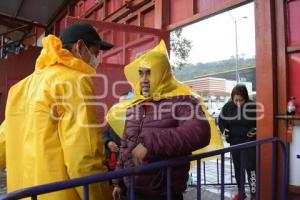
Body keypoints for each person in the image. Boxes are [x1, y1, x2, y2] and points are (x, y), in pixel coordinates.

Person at [0, 23, 114, 200]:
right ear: (79, 47)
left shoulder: (20, 88)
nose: (96, 59)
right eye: (96, 52)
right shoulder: (74, 82)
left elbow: (3, 140)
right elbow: (85, 159)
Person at [108, 40, 218, 200]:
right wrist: (118, 182)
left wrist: (149, 143)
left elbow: (199, 131)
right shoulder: (135, 105)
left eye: (149, 72)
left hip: (163, 192)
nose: (144, 79)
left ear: (163, 72)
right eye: (141, 73)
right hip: (131, 190)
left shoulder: (182, 101)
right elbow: (125, 144)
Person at [218, 84, 256, 200]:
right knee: (238, 168)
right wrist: (225, 130)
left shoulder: (253, 106)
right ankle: (241, 192)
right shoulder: (227, 107)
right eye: (236, 100)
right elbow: (221, 121)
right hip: (235, 143)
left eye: (241, 100)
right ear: (232, 98)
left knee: (251, 169)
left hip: (250, 143)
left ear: (246, 97)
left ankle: (254, 194)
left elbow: (261, 123)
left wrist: (255, 130)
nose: (238, 103)